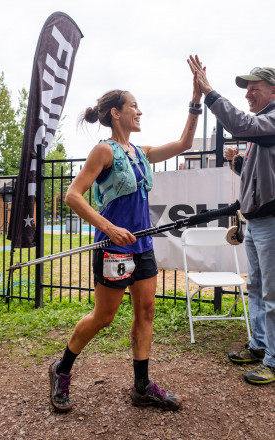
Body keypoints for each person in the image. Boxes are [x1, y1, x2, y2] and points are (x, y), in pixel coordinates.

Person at [49, 68, 203, 412]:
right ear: (116, 113)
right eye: (134, 106)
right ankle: (62, 369)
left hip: (143, 246)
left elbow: (185, 145)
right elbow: (73, 196)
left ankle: (142, 386)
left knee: (146, 311)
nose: (140, 111)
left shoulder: (141, 152)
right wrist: (108, 228)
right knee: (104, 318)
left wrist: (195, 100)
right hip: (114, 248)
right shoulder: (103, 151)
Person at [188, 55, 275, 386]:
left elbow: (242, 125)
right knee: (256, 287)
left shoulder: (269, 121)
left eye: (254, 89)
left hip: (271, 223)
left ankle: (274, 360)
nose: (248, 95)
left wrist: (208, 92)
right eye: (246, 90)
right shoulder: (263, 129)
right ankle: (260, 346)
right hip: (257, 223)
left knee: (272, 293)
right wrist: (239, 163)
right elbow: (259, 180)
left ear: (274, 90)